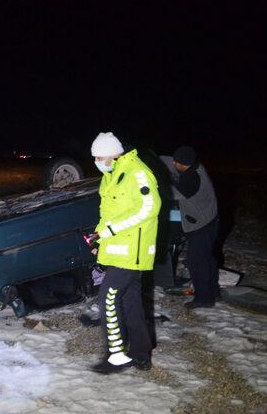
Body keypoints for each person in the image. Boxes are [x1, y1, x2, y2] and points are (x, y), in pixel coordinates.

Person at [89, 132, 161, 374]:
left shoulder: (137, 172)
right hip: (120, 250)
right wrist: (100, 236)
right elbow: (109, 214)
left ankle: (116, 354)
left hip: (134, 251)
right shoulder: (111, 175)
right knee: (131, 303)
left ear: (112, 155)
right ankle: (141, 355)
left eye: (99, 157)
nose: (97, 162)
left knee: (107, 298)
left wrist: (111, 229)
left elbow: (149, 208)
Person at [161, 146, 219, 309]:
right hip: (210, 220)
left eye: (176, 162)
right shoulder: (195, 166)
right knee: (207, 258)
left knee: (197, 262)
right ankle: (214, 292)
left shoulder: (191, 178)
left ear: (184, 164)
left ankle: (203, 299)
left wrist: (154, 184)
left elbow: (170, 194)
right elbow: (167, 161)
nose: (173, 163)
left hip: (201, 225)